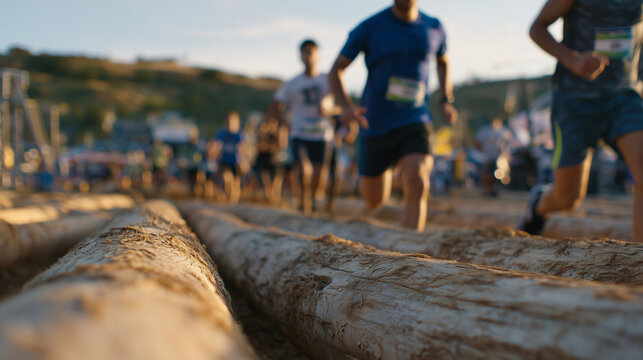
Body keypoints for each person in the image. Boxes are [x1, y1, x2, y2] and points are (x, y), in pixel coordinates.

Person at [519, 0, 643, 243]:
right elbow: (537, 28)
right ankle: (539, 204)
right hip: (575, 101)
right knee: (567, 199)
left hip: (624, 96)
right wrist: (572, 59)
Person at [329, 0, 457, 231]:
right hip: (375, 121)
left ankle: (409, 252)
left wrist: (446, 99)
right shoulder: (370, 26)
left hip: (415, 118)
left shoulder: (434, 26)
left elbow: (443, 61)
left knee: (417, 179)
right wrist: (346, 107)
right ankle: (390, 167)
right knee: (374, 200)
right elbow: (336, 69)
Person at [266, 39, 336, 214]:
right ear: (300, 56)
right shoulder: (292, 83)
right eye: (305, 52)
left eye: (312, 51)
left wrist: (330, 109)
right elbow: (274, 107)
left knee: (320, 175)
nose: (309, 55)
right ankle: (304, 205)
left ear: (318, 55)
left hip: (322, 135)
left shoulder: (329, 80)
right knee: (304, 170)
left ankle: (312, 201)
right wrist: (285, 124)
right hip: (300, 133)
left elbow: (342, 105)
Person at [211, 111, 245, 204]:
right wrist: (213, 153)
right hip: (225, 160)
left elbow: (243, 147)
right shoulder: (222, 133)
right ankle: (228, 197)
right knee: (227, 179)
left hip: (236, 161)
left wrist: (244, 160)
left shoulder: (239, 134)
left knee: (236, 182)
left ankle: (234, 200)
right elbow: (216, 145)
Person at [475, 118, 513, 196]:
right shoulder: (485, 131)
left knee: (499, 174)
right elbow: (477, 143)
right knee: (487, 174)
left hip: (499, 158)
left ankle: (494, 189)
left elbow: (508, 145)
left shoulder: (504, 132)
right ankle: (488, 189)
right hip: (488, 157)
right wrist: (483, 152)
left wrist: (505, 155)